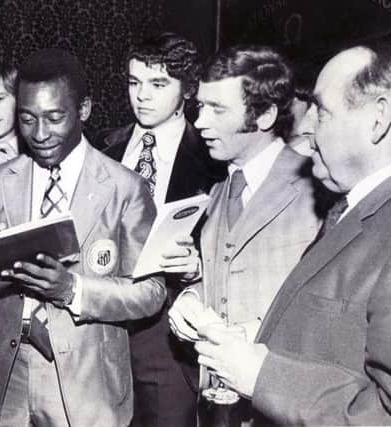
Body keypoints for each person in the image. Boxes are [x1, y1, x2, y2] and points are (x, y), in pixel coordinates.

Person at [0, 48, 166, 427]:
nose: (39, 134)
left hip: (87, 387)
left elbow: (150, 292)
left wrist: (72, 290)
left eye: (55, 118)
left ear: (84, 109)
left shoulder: (125, 189)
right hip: (4, 377)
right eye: (26, 119)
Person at [192, 43, 391, 426]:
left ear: (378, 118)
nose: (305, 125)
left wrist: (262, 375)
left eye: (323, 111)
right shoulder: (351, 208)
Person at [165, 45, 322, 421]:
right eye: (201, 107)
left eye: (217, 109)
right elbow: (223, 274)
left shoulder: (317, 187)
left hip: (285, 405)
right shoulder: (217, 190)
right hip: (218, 406)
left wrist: (259, 329)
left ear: (266, 115)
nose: (200, 122)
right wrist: (190, 296)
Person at [95, 32, 226, 427]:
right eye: (135, 83)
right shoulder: (103, 145)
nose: (142, 96)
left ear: (187, 89)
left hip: (166, 335)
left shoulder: (213, 157)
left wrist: (196, 266)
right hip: (101, 326)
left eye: (158, 84)